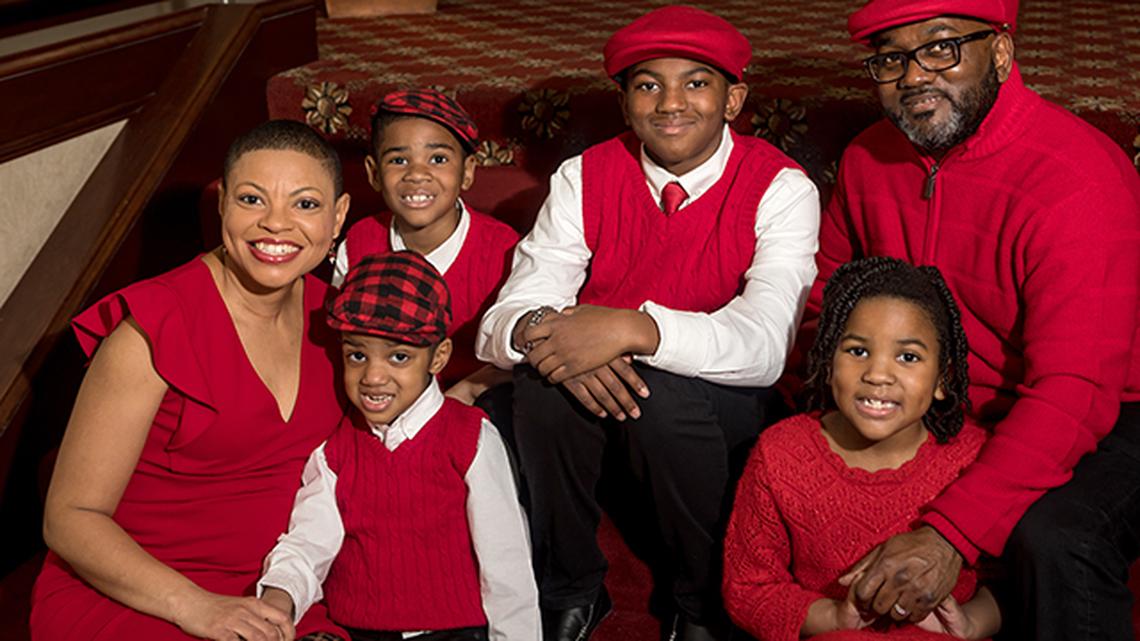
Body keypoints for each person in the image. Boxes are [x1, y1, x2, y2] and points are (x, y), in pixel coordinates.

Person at [477, 6, 820, 640]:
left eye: (696, 82)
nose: (671, 102)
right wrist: (546, 335)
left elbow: (766, 344)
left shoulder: (781, 186)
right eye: (648, 84)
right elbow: (504, 318)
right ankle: (571, 586)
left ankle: (700, 603)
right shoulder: (585, 176)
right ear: (626, 101)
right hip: (602, 404)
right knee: (539, 384)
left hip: (719, 409)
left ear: (733, 98)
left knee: (661, 400)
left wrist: (633, 331)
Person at [805, 1, 1140, 638]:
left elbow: (1074, 392)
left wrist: (948, 534)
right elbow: (825, 308)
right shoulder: (867, 159)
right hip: (934, 399)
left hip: (1111, 409)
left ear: (1003, 53)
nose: (913, 77)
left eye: (940, 48)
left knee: (1056, 539)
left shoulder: (1078, 178)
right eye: (891, 59)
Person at [31, 120, 352, 641]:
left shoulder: (338, 319)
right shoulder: (154, 327)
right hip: (138, 595)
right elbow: (70, 517)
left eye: (305, 204)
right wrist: (196, 607)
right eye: (252, 199)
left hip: (274, 595)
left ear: (338, 215)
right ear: (223, 203)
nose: (276, 224)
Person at [257, 251, 540, 641]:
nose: (373, 376)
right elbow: (310, 540)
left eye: (399, 357)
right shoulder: (336, 449)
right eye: (357, 355)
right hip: (357, 630)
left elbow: (505, 560)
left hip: (452, 631)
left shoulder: (469, 436)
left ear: (438, 356)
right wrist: (280, 594)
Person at [724, 257, 1000, 641]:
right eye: (857, 351)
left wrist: (970, 622)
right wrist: (835, 617)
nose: (878, 374)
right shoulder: (780, 454)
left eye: (908, 357)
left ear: (943, 379)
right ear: (827, 360)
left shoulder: (976, 459)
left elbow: (1014, 582)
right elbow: (749, 588)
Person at [331, 88, 518, 412]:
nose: (417, 174)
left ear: (468, 170)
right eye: (399, 160)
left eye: (438, 159)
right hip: (381, 401)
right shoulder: (361, 241)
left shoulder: (503, 249)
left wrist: (469, 390)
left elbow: (518, 358)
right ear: (374, 173)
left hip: (474, 400)